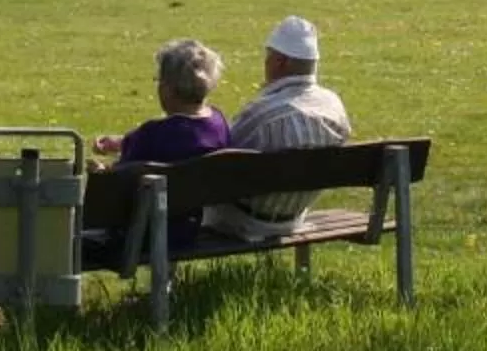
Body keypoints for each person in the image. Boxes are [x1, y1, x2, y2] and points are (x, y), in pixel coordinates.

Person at [206, 15, 353, 239]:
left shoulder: (262, 114)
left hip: (242, 220)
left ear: (280, 62)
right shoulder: (334, 105)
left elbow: (221, 160)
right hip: (295, 216)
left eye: (268, 57)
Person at [91, 37, 233, 169]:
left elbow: (121, 177)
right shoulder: (218, 122)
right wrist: (123, 142)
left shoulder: (152, 134)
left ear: (167, 89)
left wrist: (101, 171)